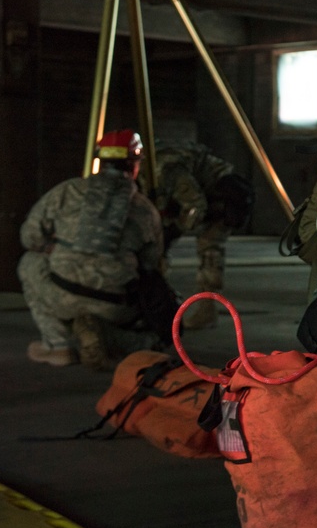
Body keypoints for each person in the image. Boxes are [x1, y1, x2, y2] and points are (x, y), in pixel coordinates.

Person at [18, 130, 166, 370]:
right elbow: (151, 263)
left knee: (29, 262)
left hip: (62, 294)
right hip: (115, 306)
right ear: (135, 165)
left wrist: (51, 248)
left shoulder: (67, 190)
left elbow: (29, 236)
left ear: (100, 160)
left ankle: (59, 345)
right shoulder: (146, 209)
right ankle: (107, 335)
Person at [149, 140, 254, 329]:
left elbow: (196, 206)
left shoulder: (168, 170)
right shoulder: (143, 173)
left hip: (222, 197)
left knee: (210, 250)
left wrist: (175, 229)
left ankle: (207, 310)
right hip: (195, 197)